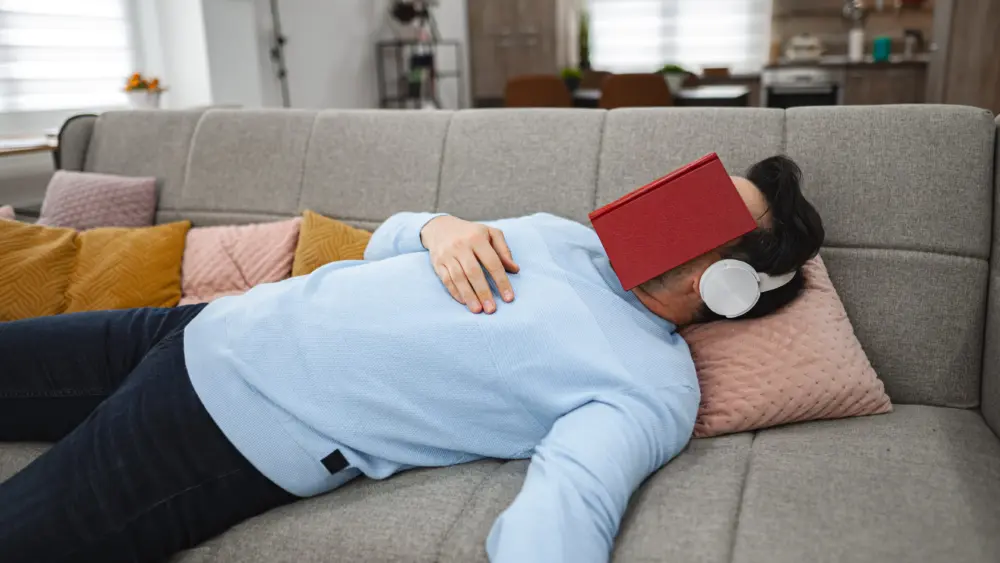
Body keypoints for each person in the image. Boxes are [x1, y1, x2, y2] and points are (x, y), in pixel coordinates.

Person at [0, 155, 824, 563]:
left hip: (221, 428)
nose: (671, 205)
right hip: (194, 328)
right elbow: (386, 245)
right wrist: (439, 227)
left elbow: (572, 502)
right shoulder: (568, 237)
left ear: (727, 283)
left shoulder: (650, 384)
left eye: (707, 214)